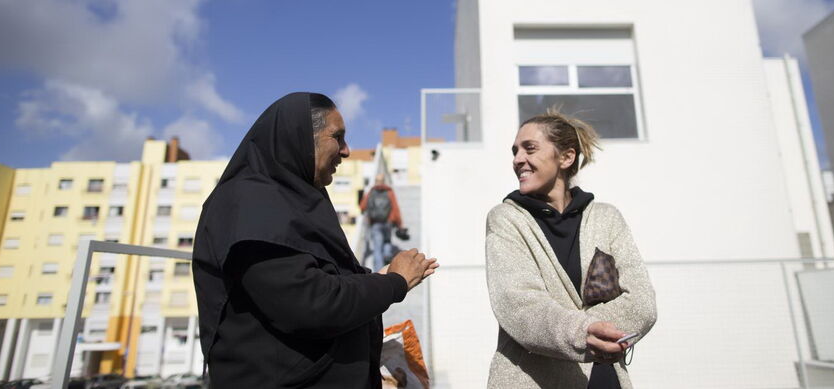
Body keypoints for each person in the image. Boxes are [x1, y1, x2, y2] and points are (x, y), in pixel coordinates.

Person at [192, 92, 438, 388]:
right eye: (338, 137)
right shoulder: (249, 203)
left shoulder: (290, 200)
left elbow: (324, 278)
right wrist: (394, 283)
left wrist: (380, 278)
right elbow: (312, 304)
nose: (346, 151)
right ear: (301, 139)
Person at [485, 110, 657, 388]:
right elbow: (519, 306)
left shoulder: (607, 218)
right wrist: (584, 331)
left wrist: (588, 330)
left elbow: (642, 304)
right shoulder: (506, 219)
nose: (517, 159)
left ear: (566, 157)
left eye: (530, 148)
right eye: (515, 151)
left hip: (605, 379)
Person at [360, 173, 405, 271]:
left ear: (376, 181)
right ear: (384, 181)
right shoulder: (389, 191)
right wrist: (399, 223)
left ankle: (379, 272)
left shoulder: (371, 191)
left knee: (377, 248)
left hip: (375, 223)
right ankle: (387, 258)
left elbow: (363, 206)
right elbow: (395, 208)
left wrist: (366, 213)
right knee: (387, 241)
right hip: (388, 222)